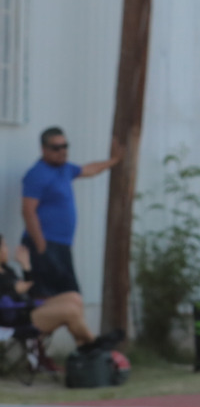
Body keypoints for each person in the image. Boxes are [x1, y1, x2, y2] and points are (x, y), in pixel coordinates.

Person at [21, 127, 120, 298]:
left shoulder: (65, 169)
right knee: (50, 297)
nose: (62, 151)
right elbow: (28, 211)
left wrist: (114, 160)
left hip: (61, 245)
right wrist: (41, 246)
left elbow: (89, 169)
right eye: (56, 147)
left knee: (70, 296)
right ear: (44, 149)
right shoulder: (37, 174)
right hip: (45, 243)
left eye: (65, 146)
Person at [0, 234, 121, 356]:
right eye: (4, 246)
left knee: (74, 297)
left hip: (28, 309)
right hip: (16, 321)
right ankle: (93, 342)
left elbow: (29, 291)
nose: (7, 249)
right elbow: (12, 295)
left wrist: (26, 266)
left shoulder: (7, 270)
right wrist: (13, 291)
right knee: (70, 311)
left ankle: (85, 346)